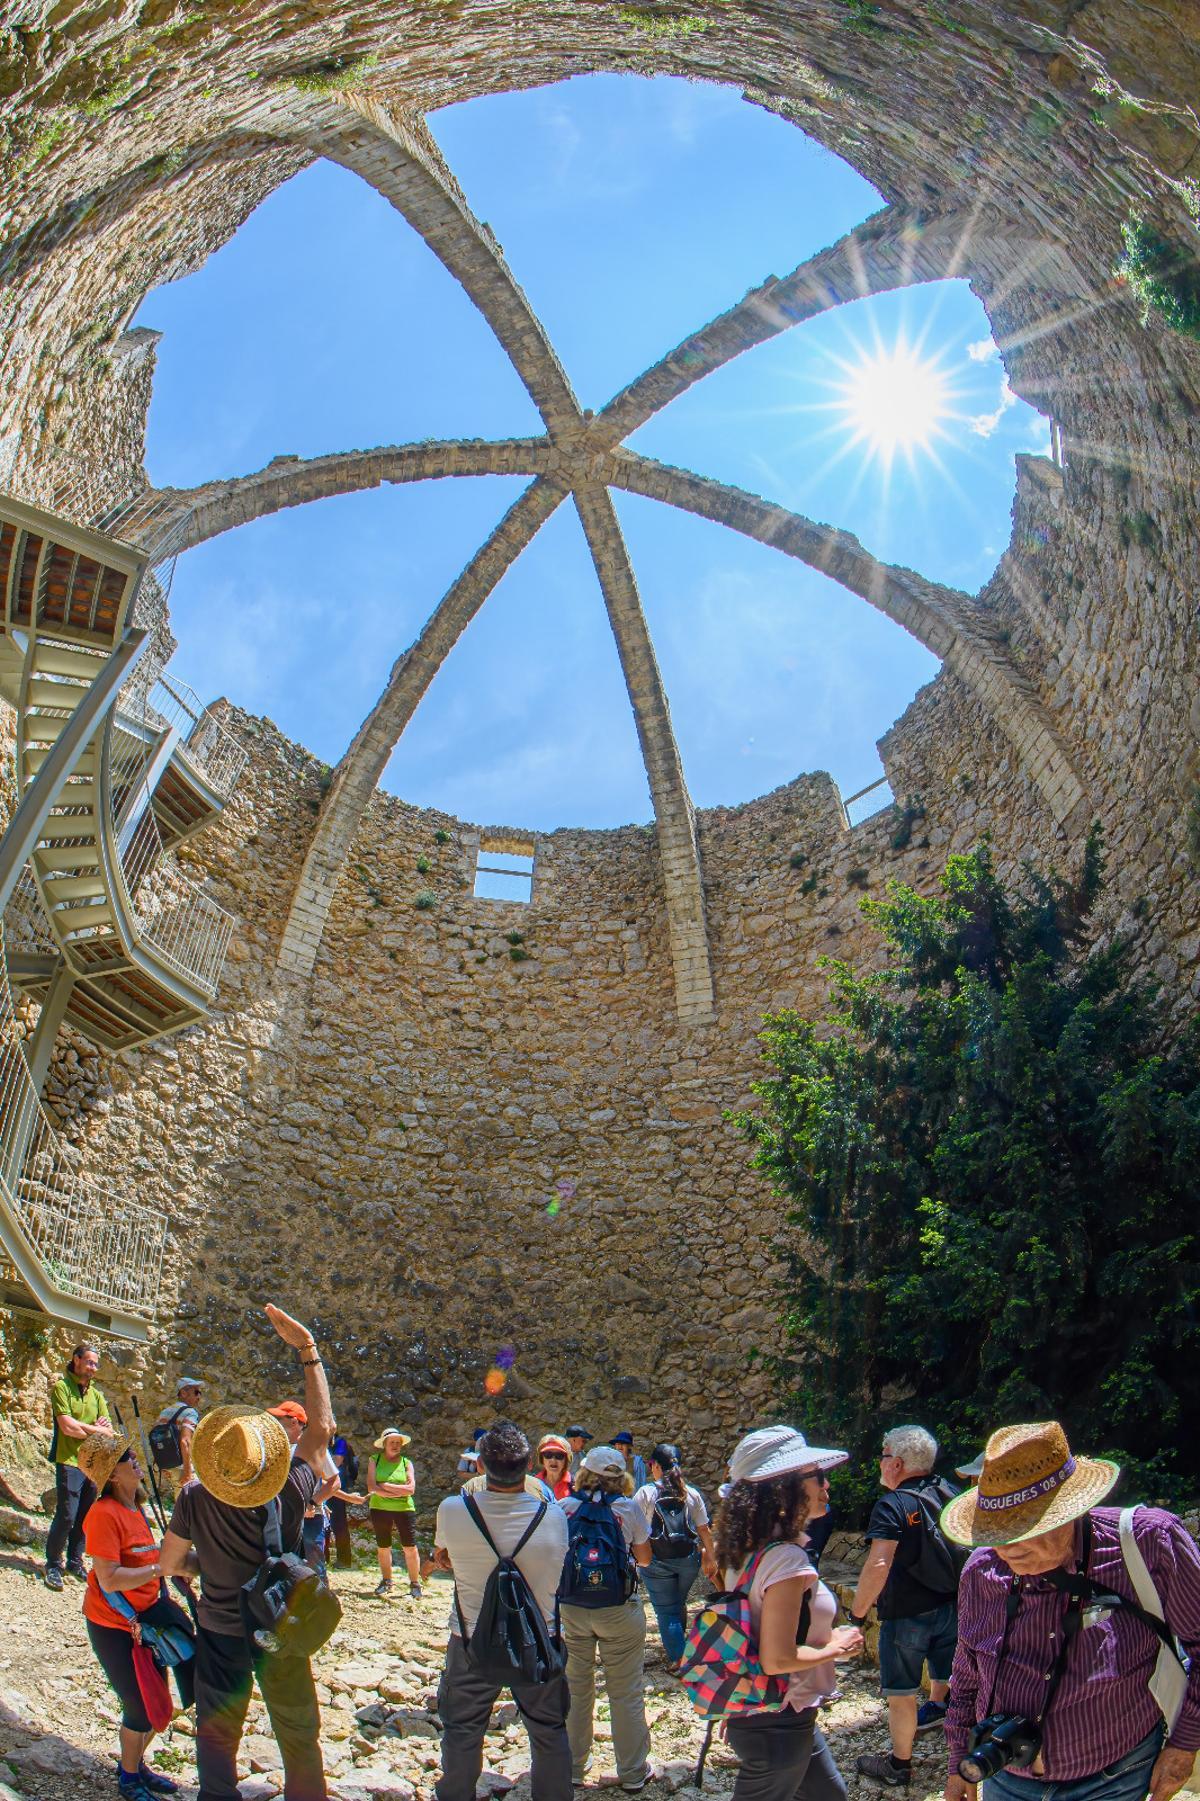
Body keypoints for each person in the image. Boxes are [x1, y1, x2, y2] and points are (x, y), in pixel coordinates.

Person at [942, 1420, 1200, 1801]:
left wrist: (1183, 1747)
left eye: (1023, 1527)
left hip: (1116, 1777)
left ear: (1069, 1511)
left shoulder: (1148, 1543)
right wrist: (959, 1758)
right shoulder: (981, 1571)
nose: (1006, 1548)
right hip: (1005, 1778)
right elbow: (967, 1672)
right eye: (996, 1531)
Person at [159, 1303, 333, 1801]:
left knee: (217, 1730)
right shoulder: (291, 1486)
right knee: (297, 1729)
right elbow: (321, 1431)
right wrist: (307, 1350)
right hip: (278, 1622)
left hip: (219, 1624)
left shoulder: (193, 1496)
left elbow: (169, 1564)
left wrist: (205, 1564)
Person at [715, 1425, 865, 1801]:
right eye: (818, 1477)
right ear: (787, 1487)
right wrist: (838, 1645)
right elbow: (778, 1657)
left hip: (775, 1715)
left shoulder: (750, 1548)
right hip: (778, 1722)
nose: (826, 1485)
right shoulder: (785, 1559)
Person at [433, 1418, 571, 1801]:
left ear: (480, 1466)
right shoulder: (555, 1516)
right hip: (540, 1638)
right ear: (530, 1467)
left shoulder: (453, 1510)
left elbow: (443, 1556)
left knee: (462, 1730)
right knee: (548, 1730)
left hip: (471, 1638)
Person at [78, 1431, 195, 1801]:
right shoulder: (103, 1514)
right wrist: (159, 1570)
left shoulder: (136, 1507)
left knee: (157, 1701)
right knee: (141, 1707)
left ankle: (137, 1766)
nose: (135, 1460)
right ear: (113, 1474)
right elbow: (109, 1578)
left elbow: (151, 1560)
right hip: (116, 1626)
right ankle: (129, 1779)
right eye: (128, 1457)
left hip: (146, 1621)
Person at [850, 1424, 961, 1786]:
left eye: (883, 1456)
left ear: (896, 1464)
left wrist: (858, 1613)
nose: (880, 1463)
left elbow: (879, 1563)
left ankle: (899, 1766)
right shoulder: (951, 1492)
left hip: (907, 1615)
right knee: (950, 1676)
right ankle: (944, 1719)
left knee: (901, 1695)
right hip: (954, 1608)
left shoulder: (892, 1504)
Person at [561, 1444, 654, 1792]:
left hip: (572, 1609)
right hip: (619, 1610)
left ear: (585, 1473)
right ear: (620, 1476)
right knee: (626, 1693)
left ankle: (572, 1769)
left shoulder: (565, 1508)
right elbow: (644, 1559)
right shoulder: (628, 1509)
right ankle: (632, 1773)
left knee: (576, 1689)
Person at [632, 1442, 718, 1670]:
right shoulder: (691, 1493)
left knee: (666, 1611)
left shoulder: (646, 1493)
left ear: (657, 1466)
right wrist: (712, 1556)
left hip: (656, 1560)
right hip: (688, 1560)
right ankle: (681, 1648)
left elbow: (634, 1528)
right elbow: (703, 1530)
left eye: (652, 1464)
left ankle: (681, 1662)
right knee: (677, 1602)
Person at [46, 1341, 114, 1590]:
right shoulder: (62, 1388)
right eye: (89, 1362)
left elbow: (109, 1434)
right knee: (66, 1515)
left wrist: (86, 1428)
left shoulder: (97, 1395)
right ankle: (53, 1564)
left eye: (96, 1363)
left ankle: (75, 1561)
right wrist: (96, 1429)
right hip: (69, 1460)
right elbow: (67, 1427)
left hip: (93, 1463)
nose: (93, 1367)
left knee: (85, 1517)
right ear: (76, 1359)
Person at [368, 1427, 422, 1599]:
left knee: (410, 1547)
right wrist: (399, 1491)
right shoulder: (374, 1460)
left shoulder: (407, 1463)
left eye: (398, 1443)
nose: (396, 1445)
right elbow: (371, 1487)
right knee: (383, 1547)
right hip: (379, 1508)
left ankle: (415, 1583)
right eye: (392, 1442)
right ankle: (387, 1581)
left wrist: (385, 1486)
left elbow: (411, 1489)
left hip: (404, 1509)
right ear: (384, 1444)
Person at [152, 1377, 205, 1490]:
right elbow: (185, 1441)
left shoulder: (164, 1412)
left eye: (200, 1393)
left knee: (180, 1502)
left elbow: (156, 1440)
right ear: (183, 1393)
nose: (199, 1396)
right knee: (191, 1503)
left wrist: (162, 1465)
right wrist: (188, 1472)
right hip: (183, 1467)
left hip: (170, 1466)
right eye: (196, 1392)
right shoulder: (190, 1412)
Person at [326, 1422, 357, 1570]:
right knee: (322, 1524)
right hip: (321, 1488)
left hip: (337, 1490)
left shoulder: (340, 1443)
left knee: (339, 1526)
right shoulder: (319, 1442)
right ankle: (323, 1557)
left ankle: (344, 1560)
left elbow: (336, 1462)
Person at [535, 1435, 573, 1501]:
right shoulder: (532, 1484)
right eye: (548, 1455)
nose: (553, 1460)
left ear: (566, 1460)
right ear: (542, 1459)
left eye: (559, 1456)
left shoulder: (574, 1485)